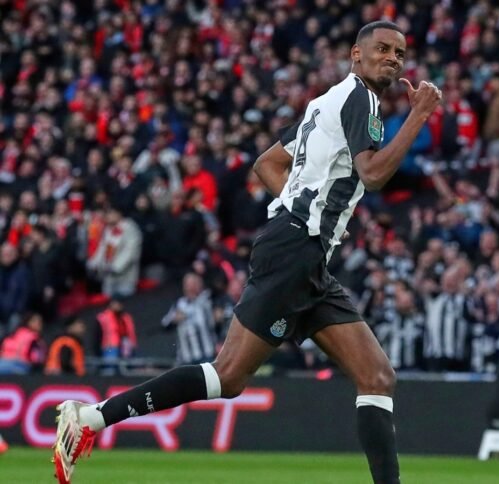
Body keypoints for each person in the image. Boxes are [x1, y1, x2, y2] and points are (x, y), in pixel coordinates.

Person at [52, 20, 441, 484]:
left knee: (377, 375)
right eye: (382, 49)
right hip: (295, 249)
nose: (393, 59)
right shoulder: (361, 98)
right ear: (356, 54)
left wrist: (301, 209)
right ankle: (91, 417)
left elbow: (267, 163)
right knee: (227, 375)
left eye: (400, 53)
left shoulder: (326, 101)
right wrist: (418, 115)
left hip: (305, 251)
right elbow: (373, 174)